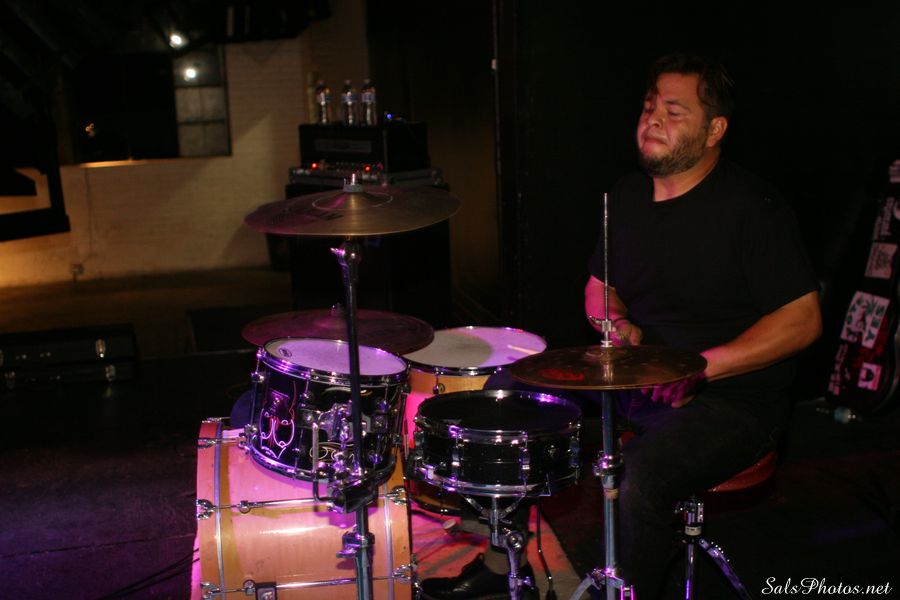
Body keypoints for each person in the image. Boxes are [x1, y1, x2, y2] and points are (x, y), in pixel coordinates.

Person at [420, 52, 822, 600]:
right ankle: (502, 566)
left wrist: (702, 368)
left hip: (730, 401)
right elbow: (599, 286)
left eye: (674, 112)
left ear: (714, 130)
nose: (653, 119)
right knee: (505, 395)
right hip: (637, 378)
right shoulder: (628, 195)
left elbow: (803, 320)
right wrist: (617, 322)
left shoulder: (753, 208)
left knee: (638, 477)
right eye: (650, 106)